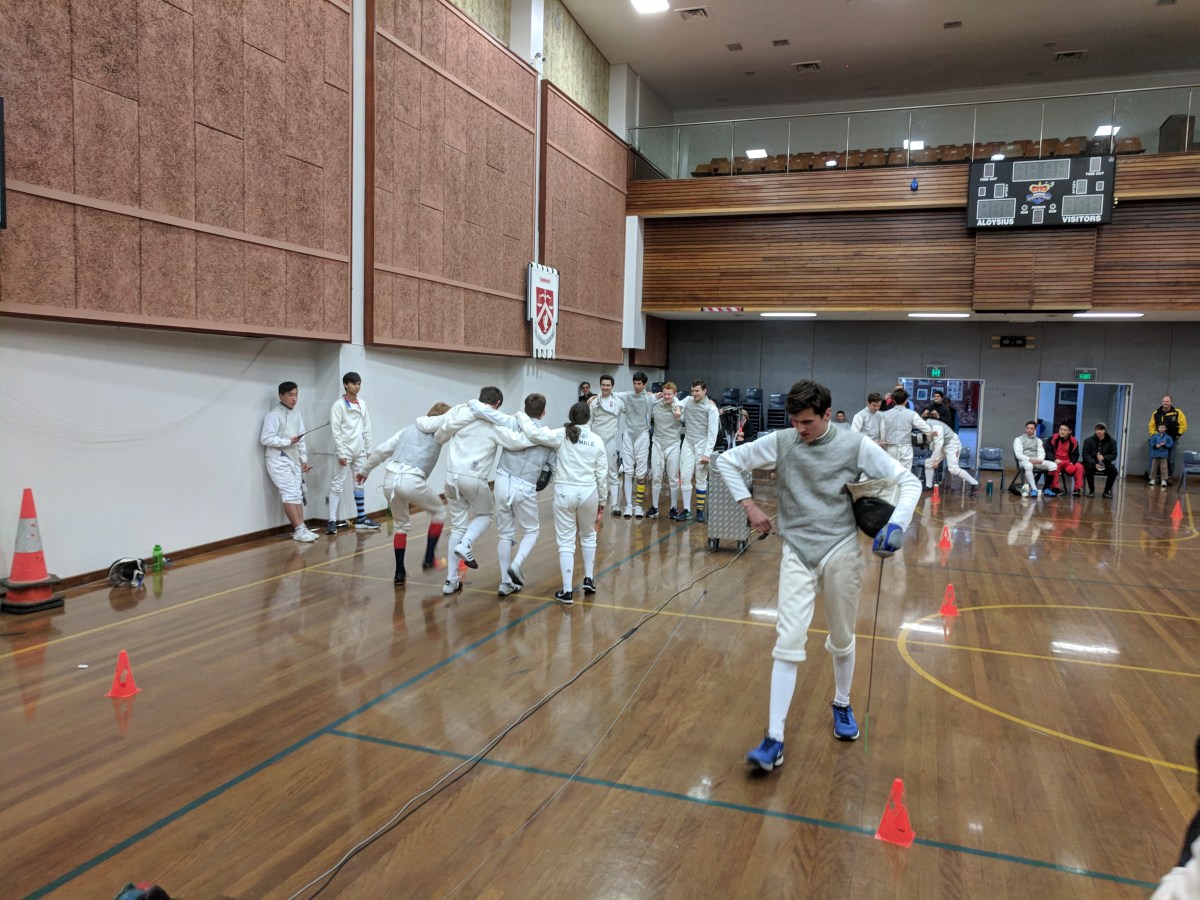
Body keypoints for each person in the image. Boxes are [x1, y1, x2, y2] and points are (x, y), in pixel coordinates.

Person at [713, 380, 920, 771]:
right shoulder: (782, 441)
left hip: (841, 550)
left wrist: (897, 523)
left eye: (807, 422)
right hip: (796, 549)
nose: (800, 429)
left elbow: (909, 481)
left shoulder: (854, 445)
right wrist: (749, 506)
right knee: (787, 640)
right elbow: (726, 461)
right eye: (795, 421)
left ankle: (842, 703)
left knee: (841, 638)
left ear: (827, 414)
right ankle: (774, 738)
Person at [435, 387, 545, 595]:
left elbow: (440, 432)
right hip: (473, 478)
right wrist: (544, 437)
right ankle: (467, 543)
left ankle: (450, 581)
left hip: (450, 479)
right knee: (484, 515)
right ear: (497, 405)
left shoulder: (461, 413)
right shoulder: (493, 424)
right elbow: (517, 442)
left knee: (457, 528)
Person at [513, 401, 607, 605]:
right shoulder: (597, 440)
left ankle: (567, 591)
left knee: (566, 542)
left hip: (565, 493)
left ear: (571, 416)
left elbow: (534, 433)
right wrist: (603, 500)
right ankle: (589, 579)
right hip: (589, 493)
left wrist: (521, 416)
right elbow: (602, 475)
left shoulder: (560, 434)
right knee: (589, 536)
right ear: (588, 418)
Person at [358, 402, 459, 585]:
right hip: (411, 480)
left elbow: (381, 450)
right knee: (439, 511)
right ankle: (429, 558)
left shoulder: (407, 430)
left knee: (401, 525)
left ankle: (399, 573)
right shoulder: (440, 433)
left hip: (389, 481)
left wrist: (364, 470)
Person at [491, 394, 556, 598]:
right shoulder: (547, 437)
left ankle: (505, 582)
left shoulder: (512, 425)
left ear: (525, 409)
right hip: (525, 485)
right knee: (532, 531)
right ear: (543, 412)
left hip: (502, 480)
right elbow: (553, 468)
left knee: (505, 534)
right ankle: (516, 564)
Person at [260, 382, 318, 542]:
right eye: (290, 395)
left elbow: (301, 439)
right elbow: (266, 438)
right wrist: (287, 441)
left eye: (296, 395)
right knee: (290, 493)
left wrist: (303, 459)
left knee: (297, 494)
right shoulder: (273, 415)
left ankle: (302, 529)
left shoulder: (297, 414)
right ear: (281, 396)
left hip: (294, 459)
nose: (294, 399)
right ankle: (299, 530)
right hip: (277, 459)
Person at [327, 371, 378, 534]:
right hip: (345, 451)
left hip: (359, 450)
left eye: (359, 384)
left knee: (360, 482)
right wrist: (341, 453)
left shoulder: (362, 403)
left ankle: (361, 518)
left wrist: (369, 449)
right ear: (345, 385)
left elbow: (367, 427)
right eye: (354, 383)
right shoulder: (338, 405)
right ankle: (332, 521)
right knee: (337, 484)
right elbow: (336, 431)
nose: (357, 387)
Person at [615, 372, 655, 517]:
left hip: (642, 435)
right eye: (635, 383)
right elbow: (609, 394)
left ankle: (638, 505)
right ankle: (628, 505)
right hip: (628, 435)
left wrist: (710, 401)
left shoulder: (650, 398)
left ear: (644, 384)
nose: (636, 386)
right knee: (628, 471)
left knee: (641, 472)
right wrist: (595, 396)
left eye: (639, 384)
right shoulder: (627, 395)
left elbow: (670, 398)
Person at [679, 379, 719, 522]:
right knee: (685, 476)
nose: (694, 394)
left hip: (702, 443)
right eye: (692, 391)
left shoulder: (711, 408)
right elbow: (675, 403)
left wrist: (707, 453)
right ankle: (687, 510)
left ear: (704, 391)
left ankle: (700, 510)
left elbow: (713, 433)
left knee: (701, 477)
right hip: (688, 442)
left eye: (697, 391)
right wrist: (655, 396)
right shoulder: (687, 400)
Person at [587, 375, 626, 513]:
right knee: (593, 474)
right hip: (595, 443)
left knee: (612, 473)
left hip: (610, 443)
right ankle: (594, 504)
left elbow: (633, 405)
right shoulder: (594, 402)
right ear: (600, 385)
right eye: (603, 385)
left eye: (608, 385)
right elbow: (589, 423)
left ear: (612, 386)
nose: (605, 387)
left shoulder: (618, 402)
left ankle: (615, 506)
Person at [647, 381, 684, 519]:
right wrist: (651, 395)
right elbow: (643, 398)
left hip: (673, 444)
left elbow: (686, 403)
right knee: (656, 476)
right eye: (665, 394)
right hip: (657, 443)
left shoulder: (679, 407)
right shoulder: (656, 404)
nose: (667, 396)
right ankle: (654, 507)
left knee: (673, 478)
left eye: (670, 394)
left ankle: (673, 508)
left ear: (675, 394)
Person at [877, 388, 931, 476]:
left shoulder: (885, 414)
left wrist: (885, 444)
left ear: (893, 400)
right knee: (905, 475)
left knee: (891, 475)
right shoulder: (912, 414)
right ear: (906, 401)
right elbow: (928, 429)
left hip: (890, 448)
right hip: (906, 448)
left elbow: (882, 434)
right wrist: (927, 441)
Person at [925, 411, 979, 495]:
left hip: (952, 445)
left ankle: (975, 483)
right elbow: (933, 445)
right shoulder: (928, 425)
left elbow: (939, 444)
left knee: (953, 469)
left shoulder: (936, 426)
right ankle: (929, 486)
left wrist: (936, 460)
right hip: (944, 445)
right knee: (928, 463)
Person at [1013, 420, 1058, 497]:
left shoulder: (1038, 440)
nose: (1029, 430)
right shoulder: (1018, 439)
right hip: (1024, 461)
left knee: (1053, 465)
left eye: (1031, 428)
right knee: (1028, 465)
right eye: (1028, 428)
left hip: (1036, 461)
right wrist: (1029, 459)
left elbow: (1041, 452)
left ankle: (1046, 488)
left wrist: (1039, 460)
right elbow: (1018, 454)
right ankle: (1034, 489)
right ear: (1025, 429)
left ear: (1035, 430)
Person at [1149, 395, 1187, 482]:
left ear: (1171, 402)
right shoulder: (1156, 413)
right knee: (1158, 459)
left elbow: (1183, 425)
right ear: (1162, 402)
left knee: (1171, 460)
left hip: (1172, 440)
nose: (1165, 403)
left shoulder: (1177, 412)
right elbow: (1151, 426)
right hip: (1159, 440)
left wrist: (1177, 435)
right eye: (1164, 401)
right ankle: (1158, 477)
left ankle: (1169, 477)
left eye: (1167, 401)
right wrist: (1154, 436)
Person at [1046, 422, 1084, 497]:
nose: (1062, 431)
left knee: (1079, 466)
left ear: (1070, 431)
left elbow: (1075, 454)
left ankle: (1077, 489)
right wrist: (1054, 459)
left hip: (1067, 462)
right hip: (1056, 460)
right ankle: (1055, 488)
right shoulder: (1053, 438)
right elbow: (1048, 451)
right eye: (1061, 429)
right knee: (1054, 466)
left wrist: (1072, 462)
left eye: (1065, 430)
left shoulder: (1074, 441)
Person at [1081, 422, 1118, 498]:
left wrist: (1104, 457)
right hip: (1091, 463)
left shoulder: (1112, 441)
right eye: (1097, 429)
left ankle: (1106, 491)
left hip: (1105, 462)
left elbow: (1114, 455)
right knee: (1089, 469)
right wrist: (1094, 463)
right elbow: (1085, 455)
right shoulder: (1088, 440)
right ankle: (1091, 491)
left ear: (1105, 430)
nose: (1099, 431)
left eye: (1101, 429)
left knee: (1113, 470)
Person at [1149, 422, 1174, 488]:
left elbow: (1171, 444)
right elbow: (1151, 443)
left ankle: (1164, 480)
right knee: (1153, 467)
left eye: (1162, 427)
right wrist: (1155, 445)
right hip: (1155, 454)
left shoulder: (1168, 437)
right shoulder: (1154, 436)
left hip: (1164, 455)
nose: (1161, 429)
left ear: (1165, 428)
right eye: (1159, 427)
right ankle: (1152, 479)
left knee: (1164, 468)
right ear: (1157, 428)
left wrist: (1165, 445)